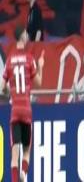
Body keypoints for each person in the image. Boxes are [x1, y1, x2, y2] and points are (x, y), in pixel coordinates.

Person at [0, 29, 44, 182]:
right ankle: (24, 173)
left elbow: (2, 87)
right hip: (26, 110)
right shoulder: (29, 59)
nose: (28, 36)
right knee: (26, 149)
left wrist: (9, 90)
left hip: (15, 110)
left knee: (14, 155)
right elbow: (39, 83)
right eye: (26, 34)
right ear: (22, 37)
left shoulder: (9, 61)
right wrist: (41, 66)